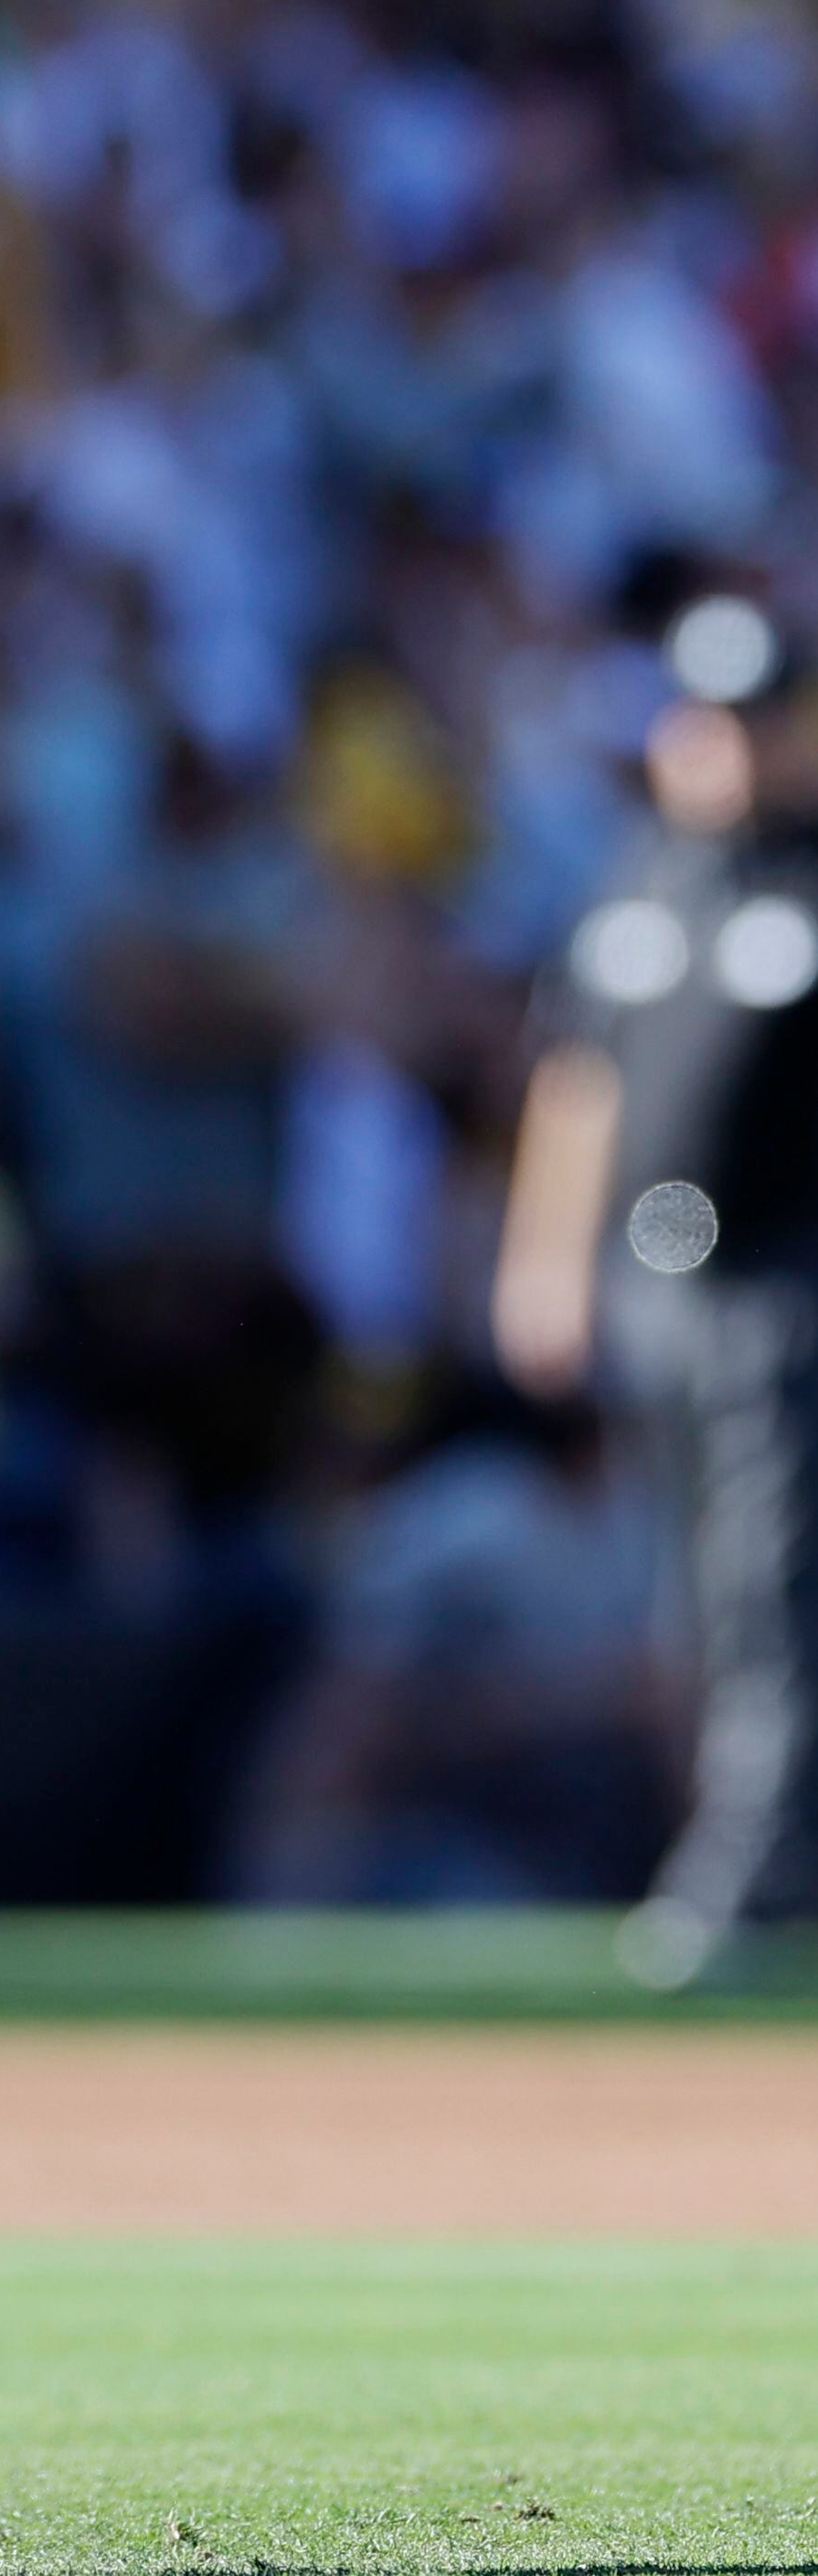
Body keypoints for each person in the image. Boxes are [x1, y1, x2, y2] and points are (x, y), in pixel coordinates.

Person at [495, 585, 818, 1989]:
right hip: (661, 1272)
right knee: (692, 1591)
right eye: (707, 719)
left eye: (759, 718)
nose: (730, 748)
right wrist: (542, 1259)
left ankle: (755, 1872)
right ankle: (737, 1850)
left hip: (786, 1275)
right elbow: (578, 1084)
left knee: (773, 1583)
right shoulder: (642, 881)